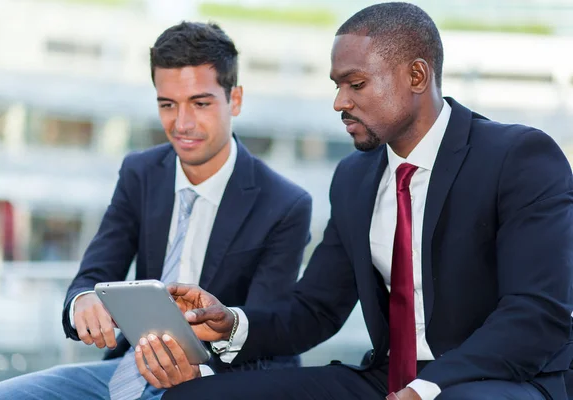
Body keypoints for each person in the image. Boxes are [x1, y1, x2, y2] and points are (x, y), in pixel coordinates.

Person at [158, 3, 573, 400]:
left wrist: (428, 388)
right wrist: (231, 323)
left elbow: (536, 313)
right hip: (387, 379)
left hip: (502, 379)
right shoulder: (354, 177)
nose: (340, 102)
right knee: (194, 395)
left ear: (416, 76)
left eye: (355, 84)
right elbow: (316, 308)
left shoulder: (518, 157)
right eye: (337, 86)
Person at [0, 21, 311, 400]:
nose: (181, 124)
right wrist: (83, 304)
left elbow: (267, 333)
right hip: (128, 369)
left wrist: (198, 374)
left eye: (200, 103)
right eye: (168, 105)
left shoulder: (285, 204)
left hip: (219, 382)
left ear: (234, 100)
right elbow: (92, 277)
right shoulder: (141, 173)